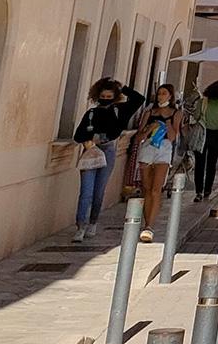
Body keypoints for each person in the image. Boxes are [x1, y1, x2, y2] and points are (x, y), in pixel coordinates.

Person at [71, 78, 143, 242]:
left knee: (99, 191)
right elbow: (78, 135)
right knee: (86, 192)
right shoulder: (91, 113)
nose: (106, 99)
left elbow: (139, 99)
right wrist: (88, 140)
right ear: (98, 96)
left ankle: (93, 222)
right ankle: (80, 225)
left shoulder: (120, 110)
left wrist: (122, 87)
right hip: (90, 151)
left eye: (109, 96)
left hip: (109, 150)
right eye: (103, 95)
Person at [130, 84, 182, 242]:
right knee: (146, 189)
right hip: (148, 148)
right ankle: (146, 222)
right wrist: (148, 129)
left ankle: (149, 226)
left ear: (170, 96)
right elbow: (139, 137)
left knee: (155, 190)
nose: (160, 97)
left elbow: (173, 137)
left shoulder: (176, 113)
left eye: (164, 93)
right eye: (159, 94)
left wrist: (165, 124)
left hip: (164, 150)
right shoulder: (149, 112)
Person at [195, 81, 218, 199]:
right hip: (216, 135)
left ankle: (198, 191)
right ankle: (207, 190)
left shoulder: (201, 102)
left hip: (202, 134)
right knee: (211, 164)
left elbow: (195, 117)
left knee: (199, 163)